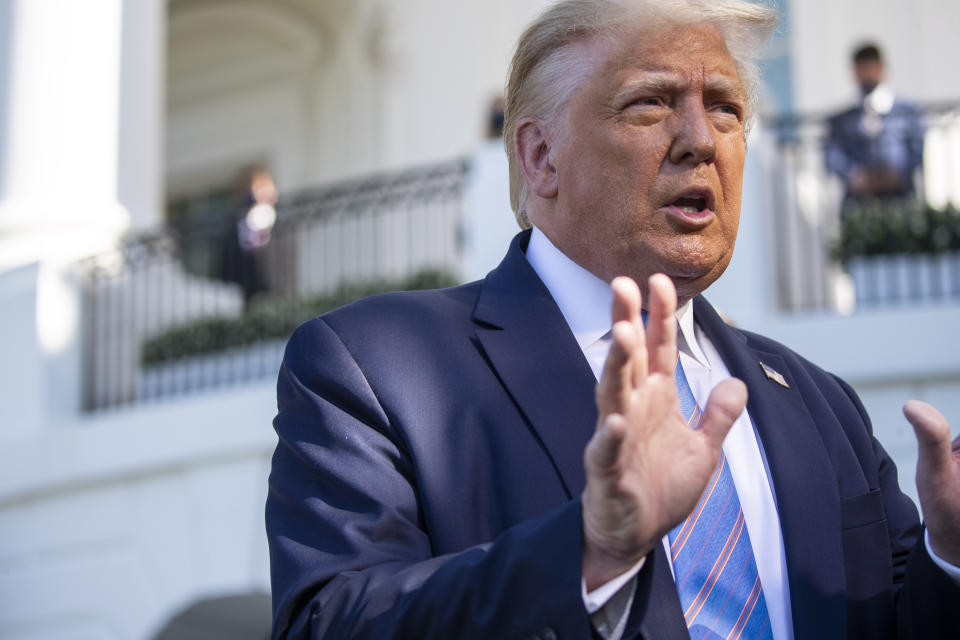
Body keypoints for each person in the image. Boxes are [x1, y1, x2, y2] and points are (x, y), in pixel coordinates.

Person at [266, 1, 960, 638]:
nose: (702, 140)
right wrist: (592, 554)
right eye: (651, 103)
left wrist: (949, 555)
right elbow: (330, 623)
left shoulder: (819, 402)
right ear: (540, 156)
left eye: (724, 108)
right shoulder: (377, 369)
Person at [825, 43, 926, 212]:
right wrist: (856, 176)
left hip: (901, 202)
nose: (867, 74)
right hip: (858, 206)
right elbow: (833, 158)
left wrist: (897, 175)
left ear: (881, 68)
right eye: (862, 69)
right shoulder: (842, 121)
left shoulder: (907, 113)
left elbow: (916, 152)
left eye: (871, 67)